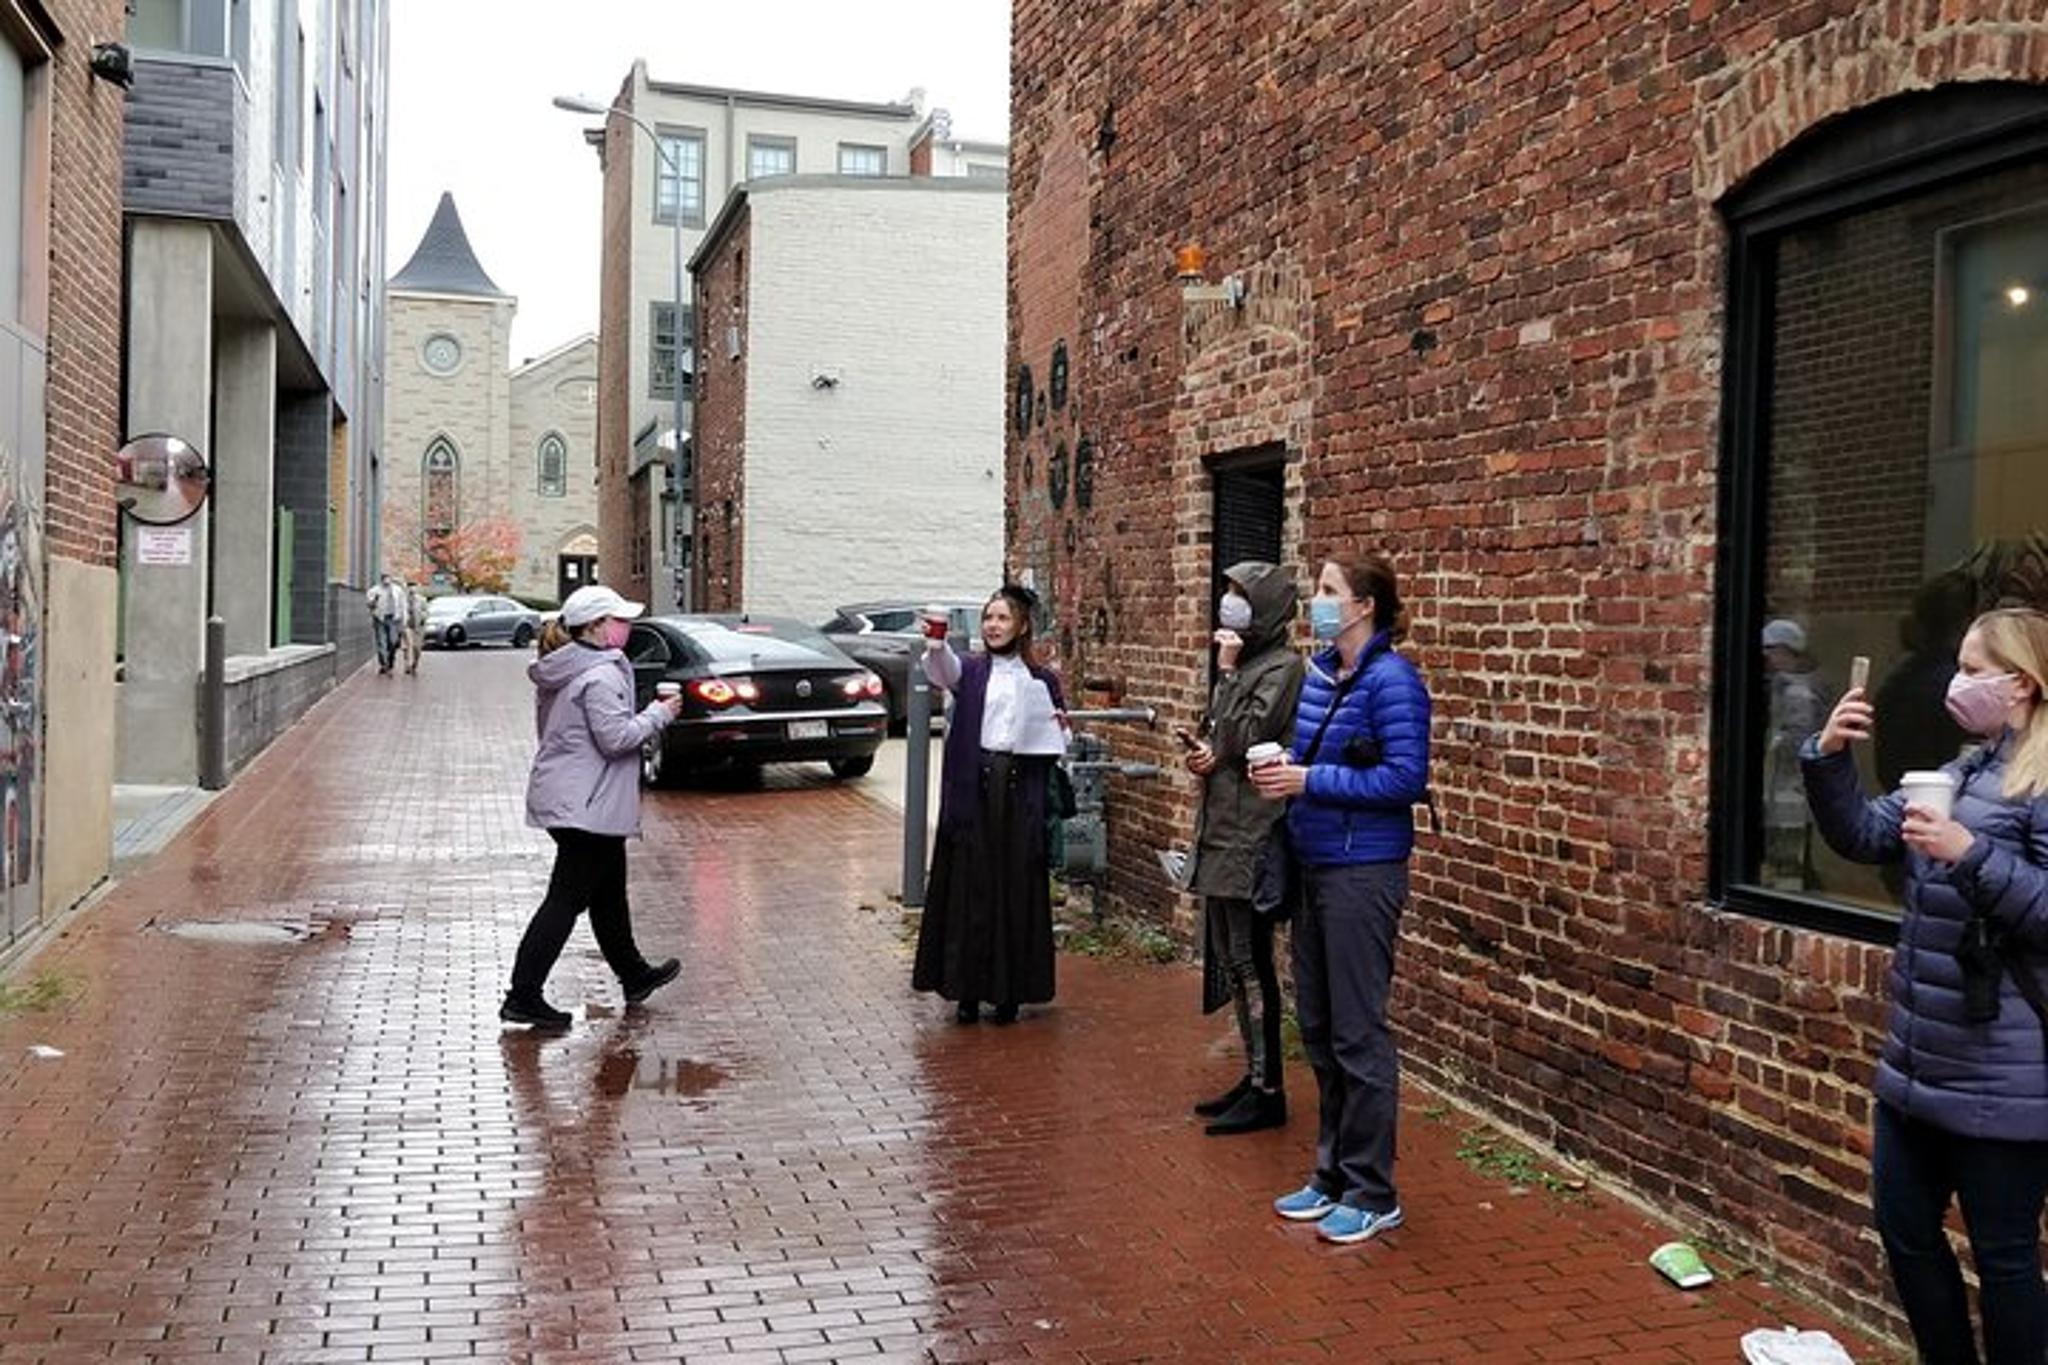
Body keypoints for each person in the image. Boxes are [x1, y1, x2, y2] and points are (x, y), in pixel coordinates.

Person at [1802, 606, 2048, 1365]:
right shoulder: (1962, 767)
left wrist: (1969, 852)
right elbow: (1866, 835)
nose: (1957, 681)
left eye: (1975, 669)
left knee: (2005, 1259)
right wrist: (1828, 755)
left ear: (2024, 683)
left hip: (2005, 1070)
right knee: (1907, 1234)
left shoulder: (2039, 784)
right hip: (1917, 1060)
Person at [1252, 552, 1430, 1245]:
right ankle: (1331, 1174)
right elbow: (1309, 765)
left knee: (1359, 1032)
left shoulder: (1394, 681)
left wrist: (1309, 780)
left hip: (1365, 872)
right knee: (1321, 1029)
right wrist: (1281, 773)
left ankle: (1373, 1188)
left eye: (1329, 591)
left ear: (1364, 606)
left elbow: (1405, 779)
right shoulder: (1323, 674)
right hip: (1314, 864)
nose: (1317, 601)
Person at [501, 584, 684, 1029]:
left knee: (608, 894)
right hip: (587, 804)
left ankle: (633, 973)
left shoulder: (569, 668)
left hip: (576, 797)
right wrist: (661, 714)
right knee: (565, 899)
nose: (625, 627)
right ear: (596, 626)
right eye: (618, 620)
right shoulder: (598, 675)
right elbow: (616, 738)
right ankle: (523, 994)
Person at [1183, 561, 1304, 1135]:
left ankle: (1270, 1088)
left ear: (1267, 609)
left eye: (1241, 595)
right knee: (1232, 961)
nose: (1229, 603)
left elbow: (1247, 736)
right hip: (1222, 824)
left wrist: (1227, 677)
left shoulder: (1282, 668)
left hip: (1251, 832)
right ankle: (1254, 1074)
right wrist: (1202, 752)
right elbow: (1219, 738)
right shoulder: (1250, 664)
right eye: (1228, 592)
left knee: (1252, 960)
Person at [913, 584, 1067, 1024]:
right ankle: (966, 990)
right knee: (970, 884)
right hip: (973, 787)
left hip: (1021, 790)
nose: (993, 626)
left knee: (1014, 885)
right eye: (988, 618)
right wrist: (936, 642)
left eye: (1002, 618)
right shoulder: (972, 671)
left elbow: (1059, 742)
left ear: (1021, 626)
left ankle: (1009, 992)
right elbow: (941, 670)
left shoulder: (1041, 680)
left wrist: (1060, 727)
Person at [1760, 618, 1826, 889]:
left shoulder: (1797, 691)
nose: (1766, 657)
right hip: (1784, 788)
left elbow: (1799, 741)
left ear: (1787, 651)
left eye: (1771, 649)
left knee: (1790, 859)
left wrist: (1777, 743)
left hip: (1792, 790)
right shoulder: (1784, 686)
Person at [366, 573, 406, 675]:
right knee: (381, 642)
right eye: (385, 580)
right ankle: (384, 664)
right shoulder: (374, 590)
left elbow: (403, 605)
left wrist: (404, 620)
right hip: (380, 619)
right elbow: (369, 605)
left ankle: (391, 660)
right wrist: (375, 600)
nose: (387, 581)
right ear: (381, 580)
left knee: (393, 641)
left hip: (394, 619)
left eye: (389, 579)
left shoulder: (398, 590)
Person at [401, 581, 428, 677]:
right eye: (410, 587)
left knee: (417, 648)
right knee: (407, 646)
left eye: (414, 587)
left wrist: (423, 618)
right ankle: (406, 665)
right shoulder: (402, 600)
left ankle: (415, 664)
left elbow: (425, 611)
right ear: (407, 589)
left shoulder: (422, 600)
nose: (412, 589)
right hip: (406, 626)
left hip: (418, 626)